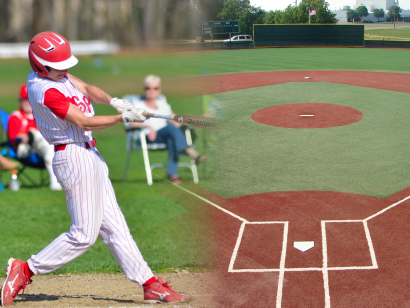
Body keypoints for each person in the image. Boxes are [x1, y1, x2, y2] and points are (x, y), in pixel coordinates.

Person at [0, 31, 186, 306]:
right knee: (84, 235)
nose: (64, 71)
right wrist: (122, 118)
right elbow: (84, 122)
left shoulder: (57, 75)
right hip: (73, 157)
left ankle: (149, 285)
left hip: (91, 155)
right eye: (58, 67)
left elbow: (86, 88)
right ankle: (25, 269)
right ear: (41, 65)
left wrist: (114, 101)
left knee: (116, 228)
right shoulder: (44, 90)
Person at [123, 74, 205, 184]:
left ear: (159, 90)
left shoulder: (162, 104)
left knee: (172, 137)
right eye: (148, 88)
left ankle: (172, 174)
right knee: (171, 130)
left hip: (165, 135)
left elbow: (175, 120)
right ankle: (191, 152)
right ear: (144, 89)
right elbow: (132, 124)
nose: (152, 91)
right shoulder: (138, 105)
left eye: (155, 88)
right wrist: (149, 127)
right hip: (148, 136)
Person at [8, 84, 62, 190]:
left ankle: (58, 181)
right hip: (22, 149)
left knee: (48, 145)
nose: (27, 102)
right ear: (20, 100)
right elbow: (14, 137)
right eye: (24, 99)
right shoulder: (15, 117)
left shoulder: (41, 116)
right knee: (40, 137)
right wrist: (29, 137)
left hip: (41, 148)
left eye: (29, 99)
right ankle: (55, 182)